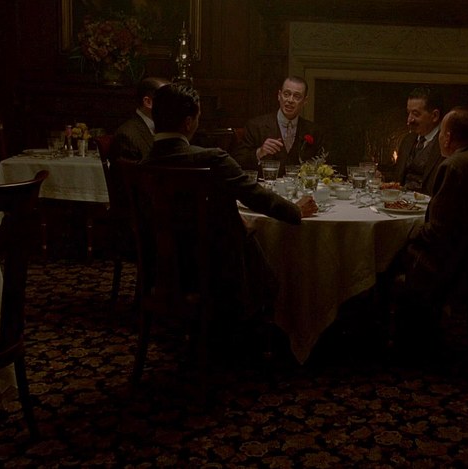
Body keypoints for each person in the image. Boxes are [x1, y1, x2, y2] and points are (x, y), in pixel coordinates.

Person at [143, 82, 318, 331]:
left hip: (160, 267)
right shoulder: (212, 158)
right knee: (271, 269)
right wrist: (296, 210)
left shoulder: (142, 164)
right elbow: (255, 196)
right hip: (217, 271)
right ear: (189, 122)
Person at [393, 106, 468, 354]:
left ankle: (407, 340)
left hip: (453, 267)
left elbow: (437, 232)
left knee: (388, 254)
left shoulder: (454, 166)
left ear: (448, 138)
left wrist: (404, 232)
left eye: (442, 133)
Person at [234, 76, 325, 174]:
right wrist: (259, 152)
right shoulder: (256, 126)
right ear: (279, 95)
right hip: (265, 183)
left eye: (297, 96)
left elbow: (323, 166)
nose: (290, 100)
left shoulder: (314, 131)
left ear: (305, 101)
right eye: (286, 94)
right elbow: (238, 162)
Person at [390, 86, 445, 195]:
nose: (409, 120)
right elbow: (398, 177)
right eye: (408, 113)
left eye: (416, 114)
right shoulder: (407, 140)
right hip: (400, 202)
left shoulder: (446, 145)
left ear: (434, 116)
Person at [110, 76, 170, 161]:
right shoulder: (127, 135)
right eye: (168, 100)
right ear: (148, 102)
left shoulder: (168, 127)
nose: (174, 105)